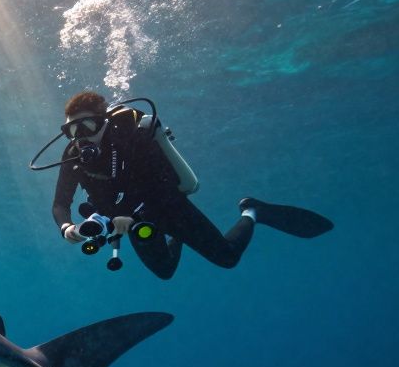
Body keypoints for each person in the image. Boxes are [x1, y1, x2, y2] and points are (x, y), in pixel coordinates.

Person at [49, 91, 332, 279]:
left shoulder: (132, 139)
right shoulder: (72, 155)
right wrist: (67, 227)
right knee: (164, 271)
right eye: (71, 130)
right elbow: (61, 202)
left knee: (227, 258)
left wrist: (131, 216)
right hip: (129, 220)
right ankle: (179, 237)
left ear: (104, 123)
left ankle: (252, 211)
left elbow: (165, 185)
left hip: (167, 206)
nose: (79, 137)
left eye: (87, 127)